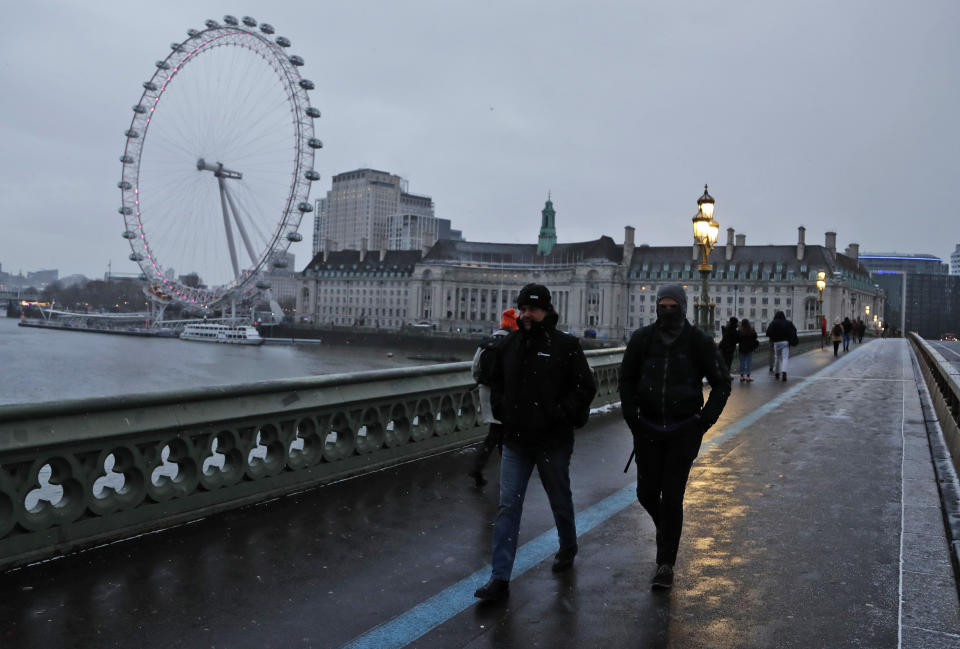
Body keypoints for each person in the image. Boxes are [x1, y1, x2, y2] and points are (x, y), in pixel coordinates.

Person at [474, 284, 597, 602]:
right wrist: (503, 410)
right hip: (515, 441)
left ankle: (568, 545)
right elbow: (496, 384)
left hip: (552, 441)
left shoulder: (565, 345)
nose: (528, 315)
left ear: (546, 311)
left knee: (559, 498)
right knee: (507, 508)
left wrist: (560, 413)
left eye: (534, 309)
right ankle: (499, 579)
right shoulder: (510, 345)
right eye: (523, 309)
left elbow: (585, 387)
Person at [618, 285, 731, 589]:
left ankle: (665, 563)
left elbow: (722, 384)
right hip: (648, 429)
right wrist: (633, 417)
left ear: (683, 307)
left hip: (683, 432)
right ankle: (666, 530)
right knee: (645, 493)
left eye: (672, 306)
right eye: (662, 306)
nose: (667, 311)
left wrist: (703, 422)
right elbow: (626, 379)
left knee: (671, 497)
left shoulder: (699, 342)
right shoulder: (642, 339)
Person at [468, 308, 519, 487]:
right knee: (499, 433)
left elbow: (474, 367)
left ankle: (486, 470)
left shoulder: (487, 342)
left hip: (486, 392)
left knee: (497, 432)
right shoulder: (514, 342)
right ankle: (481, 469)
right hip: (504, 393)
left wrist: (482, 382)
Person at [765, 311, 799, 382]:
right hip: (785, 342)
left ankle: (777, 373)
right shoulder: (788, 323)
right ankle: (784, 372)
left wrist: (774, 336)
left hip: (776, 342)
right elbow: (794, 331)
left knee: (777, 357)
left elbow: (768, 333)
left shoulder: (773, 323)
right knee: (785, 358)